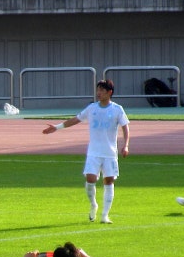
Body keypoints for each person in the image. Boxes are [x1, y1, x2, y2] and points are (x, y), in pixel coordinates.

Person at [42, 79, 130, 224]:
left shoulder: (117, 109)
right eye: (98, 90)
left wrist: (126, 145)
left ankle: (105, 215)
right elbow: (76, 119)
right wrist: (57, 127)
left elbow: (125, 127)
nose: (98, 93)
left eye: (102, 90)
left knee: (109, 181)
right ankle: (93, 204)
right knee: (91, 179)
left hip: (110, 153)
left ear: (110, 92)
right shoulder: (92, 108)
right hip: (94, 153)